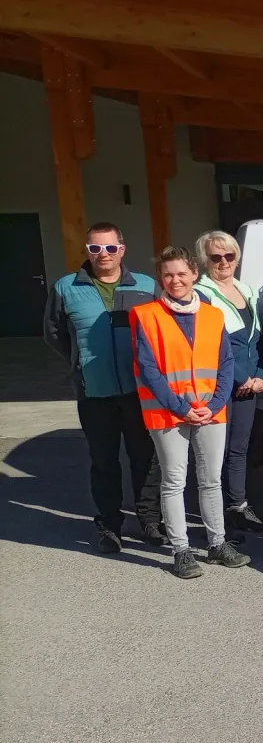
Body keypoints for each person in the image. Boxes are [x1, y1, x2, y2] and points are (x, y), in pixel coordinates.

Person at [44, 222, 164, 553]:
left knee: (146, 459)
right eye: (95, 248)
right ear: (87, 251)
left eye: (110, 248)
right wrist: (79, 361)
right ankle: (110, 524)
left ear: (122, 250)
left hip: (140, 393)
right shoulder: (67, 287)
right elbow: (55, 333)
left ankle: (149, 520)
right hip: (94, 394)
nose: (103, 255)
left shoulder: (145, 285)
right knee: (104, 461)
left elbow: (160, 331)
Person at [130, 246, 248, 578]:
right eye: (168, 275)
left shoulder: (213, 315)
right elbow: (148, 368)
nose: (175, 280)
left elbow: (226, 363)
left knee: (211, 480)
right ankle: (181, 550)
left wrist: (214, 404)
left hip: (211, 412)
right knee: (173, 482)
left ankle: (217, 543)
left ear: (195, 274)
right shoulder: (146, 315)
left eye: (182, 273)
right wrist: (182, 407)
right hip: (169, 414)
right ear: (160, 279)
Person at [196, 230, 263, 534]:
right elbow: (210, 344)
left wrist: (260, 377)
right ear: (205, 260)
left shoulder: (246, 290)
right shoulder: (201, 293)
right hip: (219, 383)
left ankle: (237, 506)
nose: (224, 261)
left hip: (248, 383)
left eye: (229, 255)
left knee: (239, 449)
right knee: (213, 452)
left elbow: (258, 341)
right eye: (216, 256)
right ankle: (210, 515)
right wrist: (243, 378)